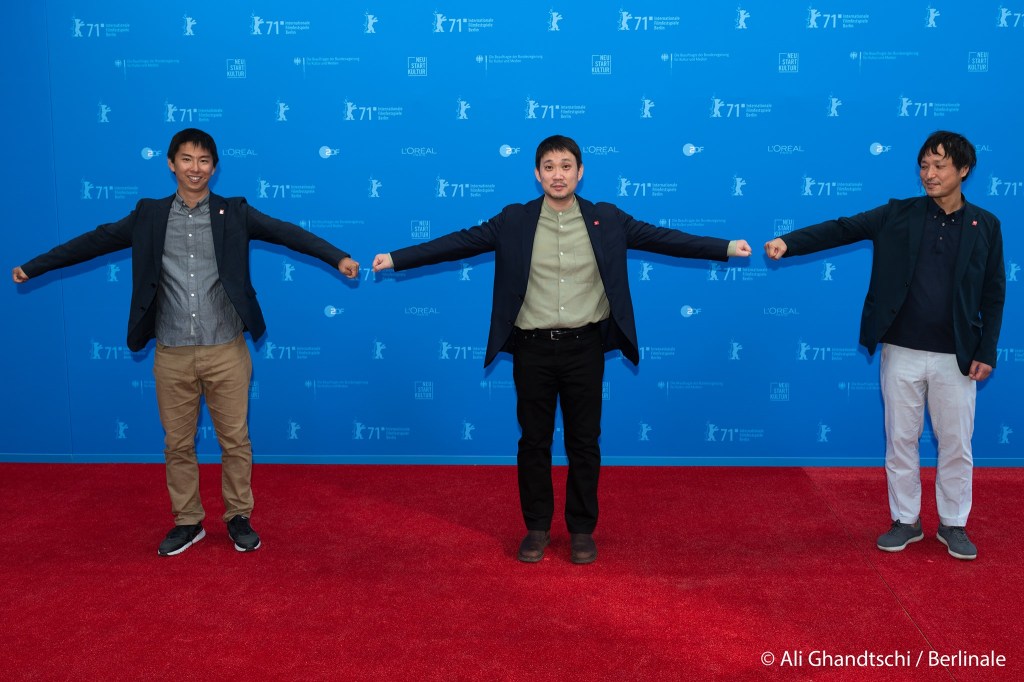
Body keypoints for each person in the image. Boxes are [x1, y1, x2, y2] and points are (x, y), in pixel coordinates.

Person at [373, 134, 752, 564]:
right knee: (534, 441)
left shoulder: (607, 219)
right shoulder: (514, 220)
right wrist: (397, 258)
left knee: (584, 441)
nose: (558, 174)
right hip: (532, 348)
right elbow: (457, 243)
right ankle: (536, 528)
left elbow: (665, 239)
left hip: (584, 348)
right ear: (537, 174)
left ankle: (581, 530)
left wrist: (724, 247)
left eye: (566, 166)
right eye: (549, 167)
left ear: (580, 172)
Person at [12, 128, 359, 557]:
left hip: (226, 350)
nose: (196, 168)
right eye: (187, 159)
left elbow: (288, 233)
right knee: (177, 444)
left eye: (204, 160)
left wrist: (337, 256)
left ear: (215, 167)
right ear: (171, 164)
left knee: (235, 442)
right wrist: (35, 266)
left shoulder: (235, 212)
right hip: (172, 352)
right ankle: (188, 521)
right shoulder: (149, 215)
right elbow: (93, 242)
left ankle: (238, 516)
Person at [764, 130, 1005, 560]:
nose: (929, 174)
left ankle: (953, 524)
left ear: (964, 170)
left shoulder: (985, 224)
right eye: (924, 166)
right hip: (901, 349)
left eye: (939, 166)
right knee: (900, 440)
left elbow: (994, 292)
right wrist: (790, 241)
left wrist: (986, 350)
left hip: (957, 356)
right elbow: (843, 228)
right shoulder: (899, 214)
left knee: (956, 445)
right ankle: (905, 520)